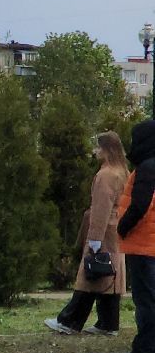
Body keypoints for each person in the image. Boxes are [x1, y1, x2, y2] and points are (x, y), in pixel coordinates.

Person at [48, 131, 131, 336]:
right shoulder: (123, 172)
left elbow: (101, 208)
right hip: (117, 229)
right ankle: (108, 323)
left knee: (90, 273)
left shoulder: (105, 175)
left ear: (106, 149)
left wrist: (94, 237)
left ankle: (69, 321)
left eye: (98, 147)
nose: (95, 152)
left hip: (103, 230)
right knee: (111, 275)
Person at [112, 120, 155, 353]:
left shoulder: (147, 169)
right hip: (150, 243)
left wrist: (122, 226)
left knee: (146, 300)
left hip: (143, 244)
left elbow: (139, 204)